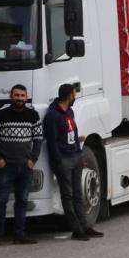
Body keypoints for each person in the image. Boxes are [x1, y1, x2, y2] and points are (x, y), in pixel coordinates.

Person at [44, 83, 103, 240]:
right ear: (69, 95)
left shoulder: (70, 112)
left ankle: (85, 227)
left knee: (78, 194)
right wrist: (58, 162)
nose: (75, 97)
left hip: (75, 157)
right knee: (67, 196)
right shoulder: (52, 116)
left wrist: (79, 154)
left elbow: (73, 135)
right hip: (63, 160)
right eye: (74, 94)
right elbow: (52, 142)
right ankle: (76, 230)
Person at [0, 84, 42, 247]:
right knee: (1, 201)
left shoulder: (33, 115)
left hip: (25, 166)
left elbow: (38, 139)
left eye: (22, 96)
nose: (19, 98)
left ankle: (20, 235)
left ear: (26, 97)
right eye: (16, 95)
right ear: (11, 96)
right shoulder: (1, 115)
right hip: (5, 167)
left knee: (22, 201)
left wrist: (33, 159)